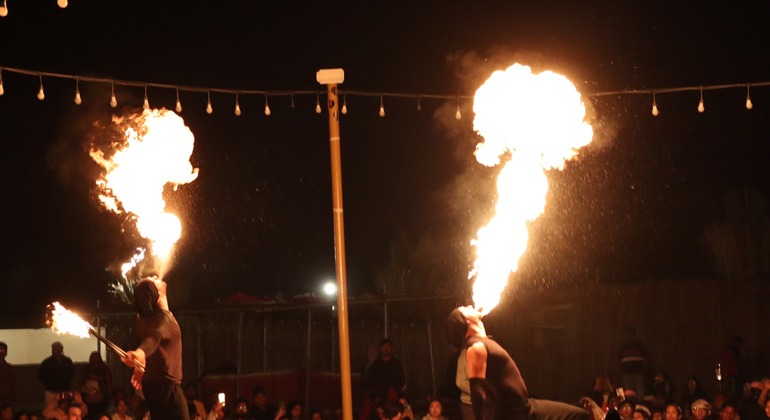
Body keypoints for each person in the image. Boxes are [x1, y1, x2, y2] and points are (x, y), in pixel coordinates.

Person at [445, 306, 588, 420]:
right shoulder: (475, 348)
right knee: (578, 416)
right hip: (514, 414)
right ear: (465, 322)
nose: (470, 305)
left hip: (524, 407)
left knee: (580, 415)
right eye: (465, 308)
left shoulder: (482, 342)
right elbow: (476, 394)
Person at [120, 277, 189, 420]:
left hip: (151, 387)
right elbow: (154, 338)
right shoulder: (163, 320)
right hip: (167, 389)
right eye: (153, 280)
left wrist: (139, 365)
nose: (156, 277)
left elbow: (147, 341)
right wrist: (140, 353)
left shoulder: (142, 318)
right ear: (156, 293)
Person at [361, 339, 407, 420]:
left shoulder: (397, 364)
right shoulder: (375, 365)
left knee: (393, 396)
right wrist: (375, 395)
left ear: (392, 348)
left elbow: (401, 381)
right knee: (368, 399)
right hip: (378, 395)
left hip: (393, 394)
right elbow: (369, 382)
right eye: (384, 346)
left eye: (388, 346)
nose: (386, 349)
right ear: (380, 348)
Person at [81, 351, 113, 419]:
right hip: (89, 396)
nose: (95, 359)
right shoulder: (87, 369)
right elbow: (82, 382)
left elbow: (108, 383)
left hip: (102, 396)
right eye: (93, 357)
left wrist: (109, 395)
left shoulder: (104, 369)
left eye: (96, 357)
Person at [619, 328, 647, 399]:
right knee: (628, 392)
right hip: (627, 373)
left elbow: (645, 357)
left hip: (638, 372)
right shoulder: (623, 346)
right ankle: (629, 405)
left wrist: (643, 368)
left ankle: (640, 406)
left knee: (640, 391)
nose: (629, 336)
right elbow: (619, 359)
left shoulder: (639, 345)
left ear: (634, 335)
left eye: (631, 334)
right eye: (627, 334)